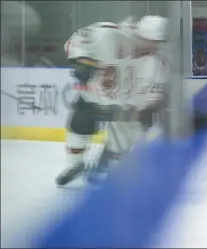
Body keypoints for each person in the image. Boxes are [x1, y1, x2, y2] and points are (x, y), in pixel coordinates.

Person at [55, 15, 170, 185]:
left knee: (121, 146)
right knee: (79, 125)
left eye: (156, 42)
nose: (151, 46)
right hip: (92, 96)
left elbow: (151, 95)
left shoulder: (158, 65)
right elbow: (76, 40)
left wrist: (130, 110)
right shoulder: (108, 33)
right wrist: (81, 61)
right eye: (148, 40)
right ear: (139, 33)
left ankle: (107, 164)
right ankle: (76, 165)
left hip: (120, 108)